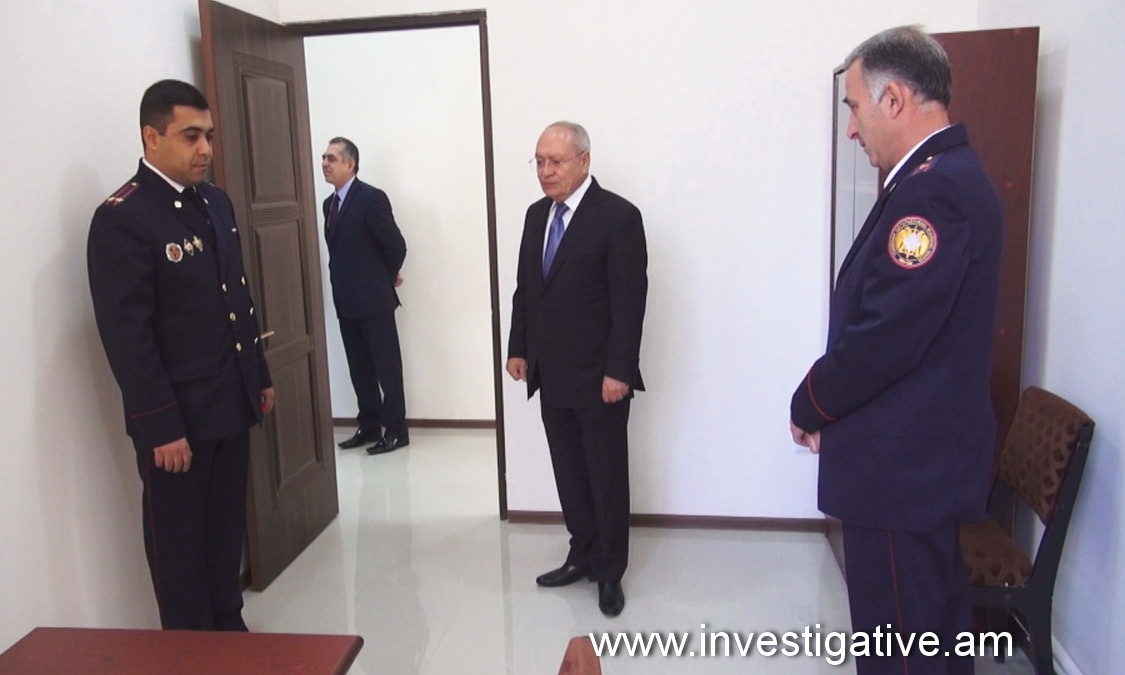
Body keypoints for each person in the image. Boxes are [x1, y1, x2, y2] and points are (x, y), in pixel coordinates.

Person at [789, 26, 1003, 675]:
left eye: (854, 107)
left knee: (900, 651)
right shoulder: (941, 178)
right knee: (931, 637)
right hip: (917, 469)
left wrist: (810, 402)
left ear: (894, 100)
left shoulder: (934, 192)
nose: (852, 128)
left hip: (900, 475)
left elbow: (884, 337)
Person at [87, 79, 275, 631]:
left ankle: (228, 625)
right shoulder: (125, 216)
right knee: (179, 546)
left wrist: (258, 374)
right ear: (152, 137)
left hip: (229, 401)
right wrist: (160, 425)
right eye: (191, 136)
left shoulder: (214, 202)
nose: (205, 149)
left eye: (209, 135)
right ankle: (190, 648)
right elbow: (128, 335)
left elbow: (236, 296)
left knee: (224, 532)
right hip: (178, 420)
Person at [506, 121, 648, 617]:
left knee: (605, 475)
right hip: (551, 372)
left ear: (584, 161)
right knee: (568, 472)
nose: (546, 171)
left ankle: (609, 570)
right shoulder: (535, 216)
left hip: (600, 377)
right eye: (540, 161)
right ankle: (582, 553)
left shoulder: (618, 217)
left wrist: (620, 371)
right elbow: (527, 289)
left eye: (557, 161)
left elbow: (630, 303)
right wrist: (518, 348)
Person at [321, 137, 409, 455]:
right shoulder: (329, 205)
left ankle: (396, 430)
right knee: (360, 369)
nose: (325, 164)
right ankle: (369, 426)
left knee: (387, 369)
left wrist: (386, 276)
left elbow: (396, 245)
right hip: (345, 301)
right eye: (323, 158)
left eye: (332, 158)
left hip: (374, 301)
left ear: (351, 164)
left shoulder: (371, 198)